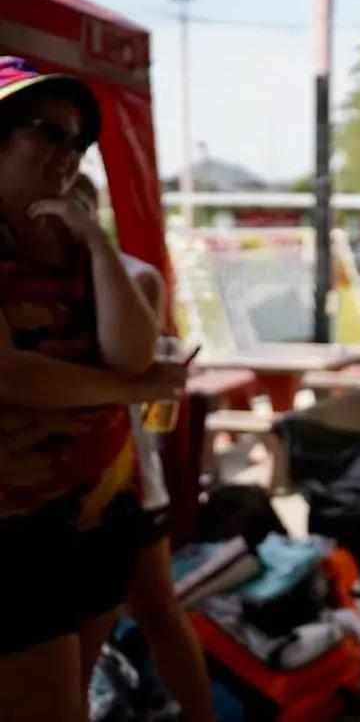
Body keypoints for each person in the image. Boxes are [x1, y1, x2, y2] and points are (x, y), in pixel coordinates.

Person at [0, 56, 186, 721]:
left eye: (78, 141)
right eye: (47, 131)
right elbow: (12, 376)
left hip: (95, 509)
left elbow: (134, 352)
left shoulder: (69, 242)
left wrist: (93, 237)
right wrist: (128, 392)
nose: (67, 153)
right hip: (15, 531)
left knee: (71, 696)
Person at [70, 175, 217, 722]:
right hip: (61, 484)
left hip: (126, 475)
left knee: (151, 609)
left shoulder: (129, 276)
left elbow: (133, 359)